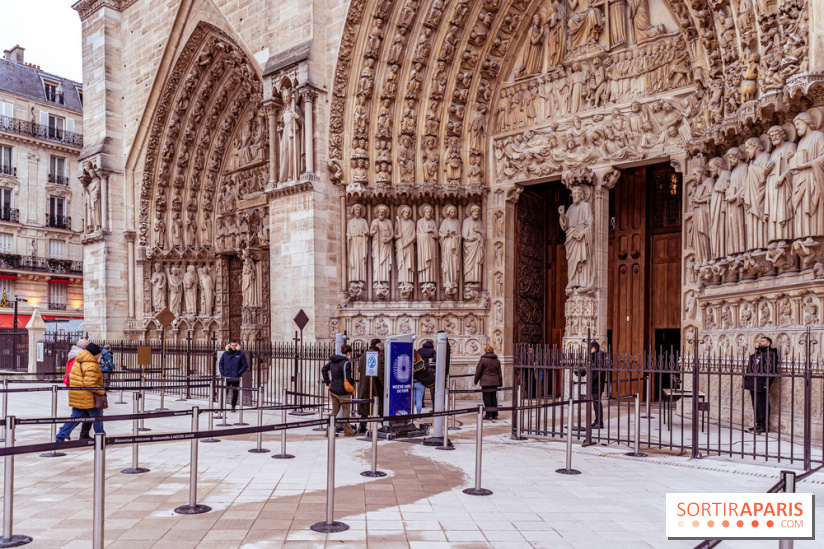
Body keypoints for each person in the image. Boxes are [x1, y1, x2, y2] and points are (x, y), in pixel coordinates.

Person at [56, 342, 106, 442]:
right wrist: (101, 392)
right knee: (97, 417)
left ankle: (61, 436)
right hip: (88, 397)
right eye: (99, 353)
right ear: (94, 354)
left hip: (77, 395)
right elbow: (90, 384)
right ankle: (101, 438)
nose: (100, 355)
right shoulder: (91, 365)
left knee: (75, 418)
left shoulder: (79, 361)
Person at [744, 336, 779, 434]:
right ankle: (758, 423)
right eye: (759, 341)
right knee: (756, 404)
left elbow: (772, 370)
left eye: (763, 341)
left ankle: (764, 425)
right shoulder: (757, 354)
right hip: (753, 383)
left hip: (761, 383)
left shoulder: (771, 354)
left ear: (768, 343)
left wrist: (767, 384)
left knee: (762, 404)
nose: (760, 342)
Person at [322, 344, 355, 437]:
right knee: (346, 412)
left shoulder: (333, 361)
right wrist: (353, 383)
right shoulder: (346, 363)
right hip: (343, 391)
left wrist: (328, 382)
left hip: (333, 390)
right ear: (348, 353)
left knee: (334, 412)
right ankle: (348, 432)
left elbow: (324, 369)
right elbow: (348, 378)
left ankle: (329, 432)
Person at [356, 338, 384, 434]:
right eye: (381, 345)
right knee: (379, 406)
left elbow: (359, 369)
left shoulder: (364, 355)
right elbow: (381, 373)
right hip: (375, 385)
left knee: (365, 406)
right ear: (377, 345)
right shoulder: (378, 356)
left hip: (364, 385)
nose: (381, 347)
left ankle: (362, 426)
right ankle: (384, 425)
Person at [584, 341, 609, 429]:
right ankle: (597, 420)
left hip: (597, 384)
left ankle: (599, 422)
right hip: (595, 384)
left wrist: (591, 380)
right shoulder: (595, 357)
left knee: (597, 403)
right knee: (596, 403)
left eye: (589, 349)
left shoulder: (599, 357)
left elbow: (599, 372)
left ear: (593, 349)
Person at [474, 345, 503, 420]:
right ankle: (495, 414)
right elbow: (499, 373)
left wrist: (476, 380)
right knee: (494, 397)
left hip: (486, 381)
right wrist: (500, 382)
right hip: (494, 381)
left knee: (487, 398)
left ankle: (489, 414)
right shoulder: (497, 361)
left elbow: (478, 371)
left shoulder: (483, 360)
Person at [219, 340, 248, 411]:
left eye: (235, 345)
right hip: (226, 376)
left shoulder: (241, 354)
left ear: (237, 346)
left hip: (235, 377)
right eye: (232, 345)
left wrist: (239, 373)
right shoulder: (225, 354)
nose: (233, 347)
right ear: (229, 345)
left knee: (235, 392)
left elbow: (245, 365)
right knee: (224, 392)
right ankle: (221, 407)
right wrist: (222, 372)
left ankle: (233, 407)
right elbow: (220, 363)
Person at [412, 350, 436, 414]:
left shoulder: (409, 363)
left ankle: (411, 416)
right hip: (420, 383)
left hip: (412, 383)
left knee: (412, 400)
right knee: (419, 400)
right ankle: (418, 415)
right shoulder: (422, 363)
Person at [417, 339, 437, 405]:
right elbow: (436, 359)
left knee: (421, 387)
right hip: (430, 371)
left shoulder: (419, 350)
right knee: (432, 387)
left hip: (420, 371)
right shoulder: (433, 351)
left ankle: (421, 402)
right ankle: (434, 403)